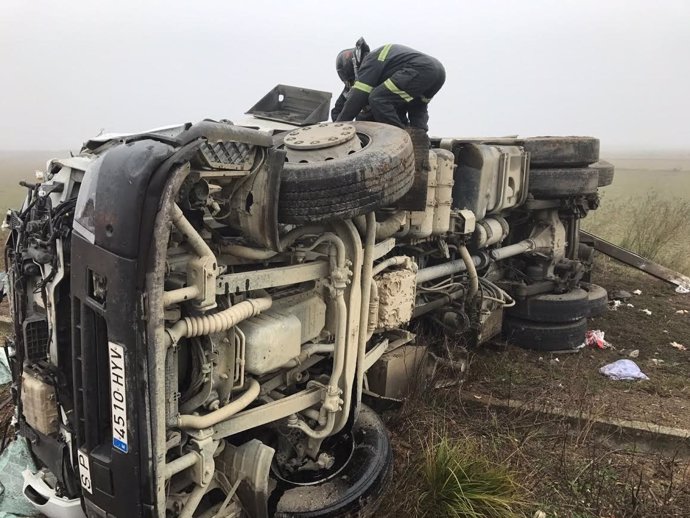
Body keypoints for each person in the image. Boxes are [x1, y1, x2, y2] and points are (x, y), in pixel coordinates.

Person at [333, 38, 445, 132]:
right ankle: (418, 141)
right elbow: (342, 105)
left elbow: (357, 97)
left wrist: (338, 129)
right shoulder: (385, 73)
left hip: (420, 68)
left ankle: (401, 138)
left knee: (378, 99)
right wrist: (420, 130)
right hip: (437, 73)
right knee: (415, 106)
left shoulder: (370, 61)